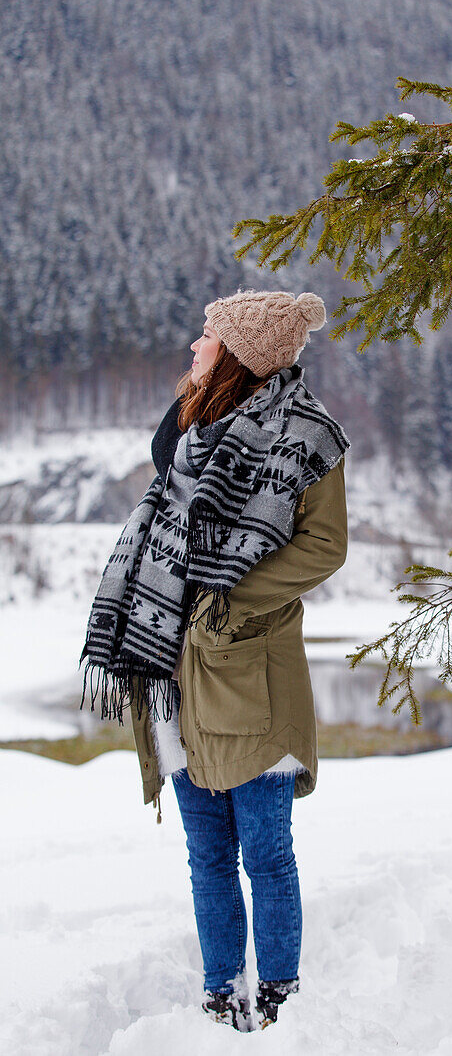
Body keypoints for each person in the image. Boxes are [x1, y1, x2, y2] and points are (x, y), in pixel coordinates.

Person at [79, 289, 350, 1032]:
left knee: (264, 852)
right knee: (206, 854)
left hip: (242, 666)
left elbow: (324, 548)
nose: (194, 346)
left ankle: (280, 995)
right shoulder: (186, 427)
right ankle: (220, 986)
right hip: (166, 667)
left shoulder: (304, 435)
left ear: (238, 352)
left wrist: (228, 600)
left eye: (207, 335)